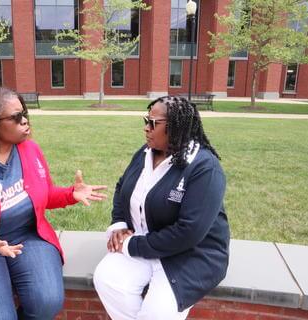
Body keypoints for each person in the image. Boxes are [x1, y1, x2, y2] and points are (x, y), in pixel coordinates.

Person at [0, 87, 107, 320]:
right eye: (16, 117)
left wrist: (71, 194)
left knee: (47, 302)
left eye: (24, 113)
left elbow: (43, 194)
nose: (25, 121)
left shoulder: (30, 149)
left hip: (28, 236)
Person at [93, 96, 230, 320]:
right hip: (146, 242)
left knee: (156, 313)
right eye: (146, 120)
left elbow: (189, 232)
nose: (146, 128)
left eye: (153, 123)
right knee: (106, 279)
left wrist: (131, 245)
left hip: (189, 254)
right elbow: (122, 188)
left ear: (176, 126)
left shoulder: (204, 168)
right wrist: (119, 224)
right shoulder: (145, 153)